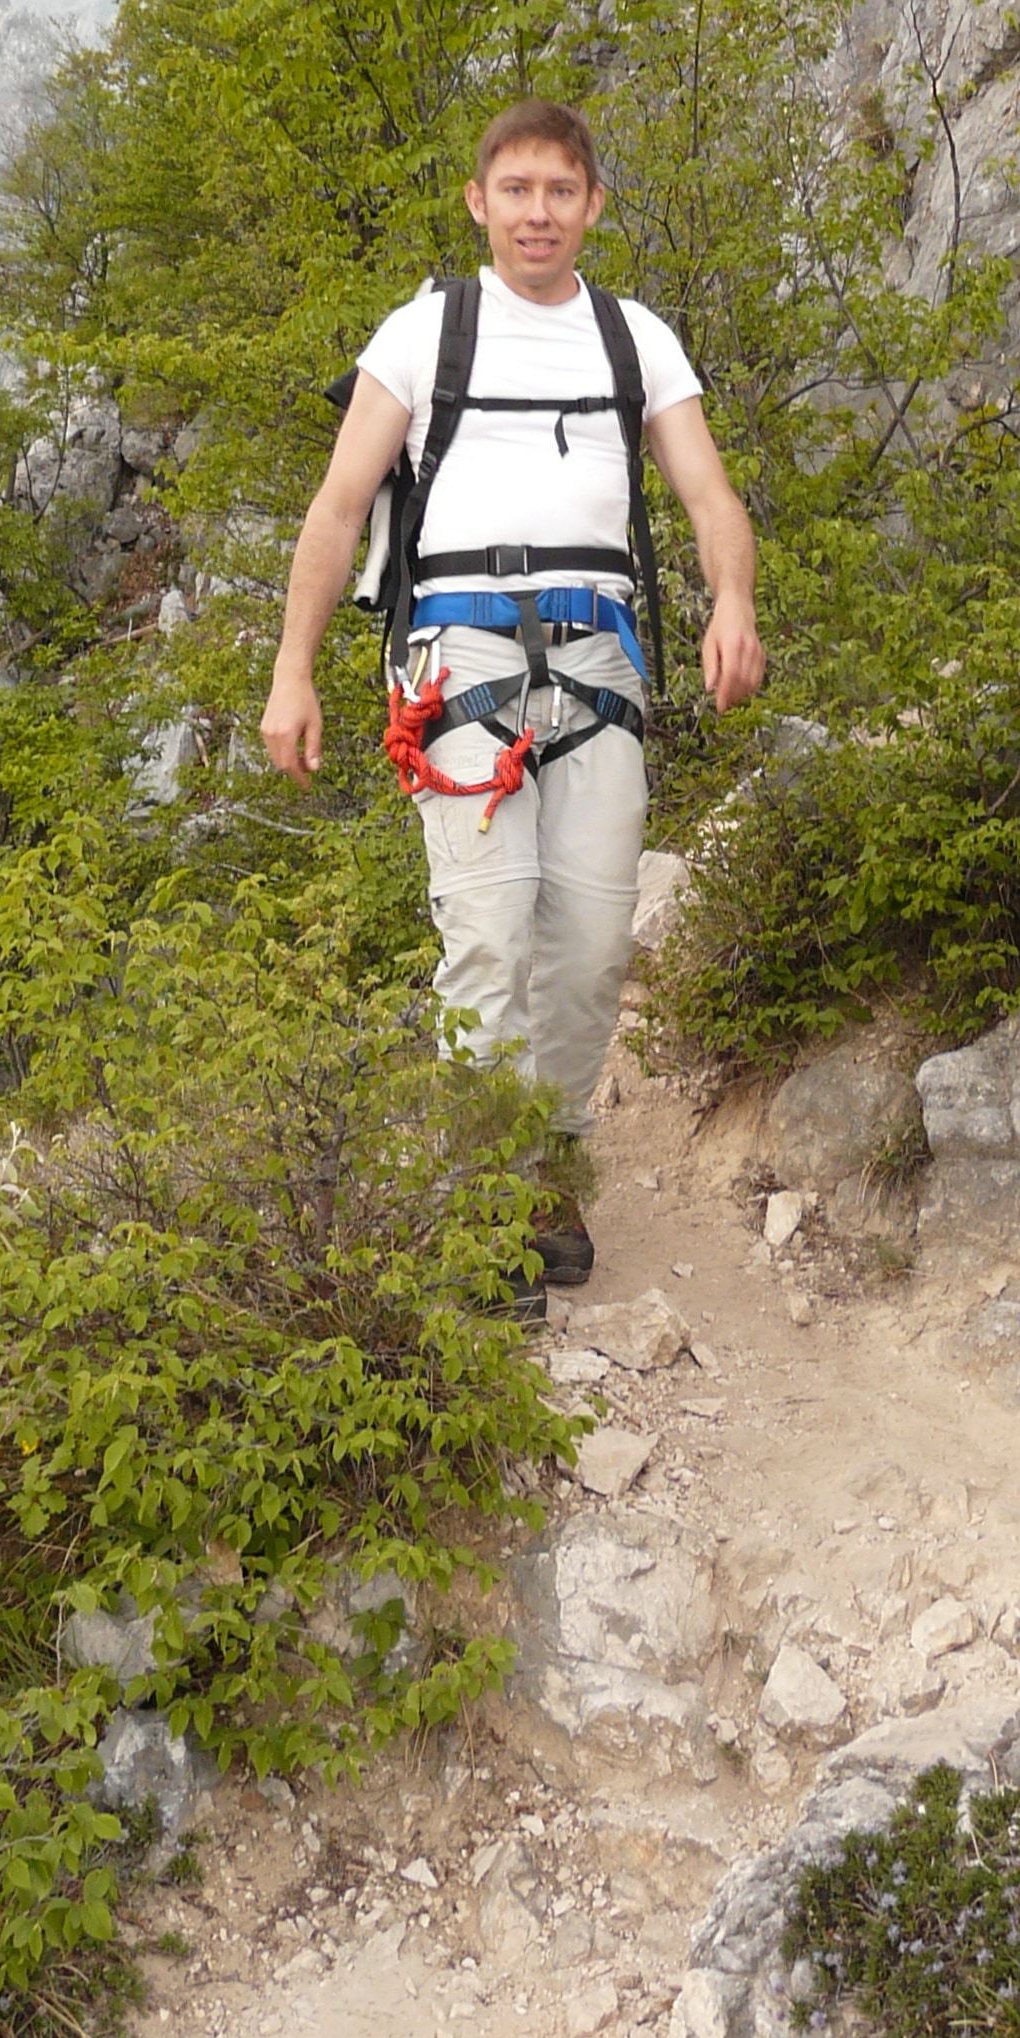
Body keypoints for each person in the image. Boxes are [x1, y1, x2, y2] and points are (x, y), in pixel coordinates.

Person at [260, 98, 765, 1283]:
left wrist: (731, 600)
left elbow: (710, 496)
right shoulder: (424, 335)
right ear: (479, 203)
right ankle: (480, 1207)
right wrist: (293, 671)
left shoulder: (636, 340)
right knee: (488, 936)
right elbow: (338, 509)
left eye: (562, 191)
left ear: (592, 206)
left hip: (603, 664)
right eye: (518, 190)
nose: (539, 212)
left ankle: (546, 1160)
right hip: (457, 660)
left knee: (591, 947)